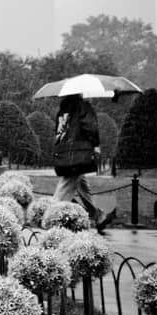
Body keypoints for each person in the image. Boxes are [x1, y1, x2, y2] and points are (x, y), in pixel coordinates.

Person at [52, 94, 108, 228]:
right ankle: (52, 217)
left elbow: (58, 132)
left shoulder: (62, 110)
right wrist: (95, 144)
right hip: (79, 152)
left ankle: (97, 215)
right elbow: (90, 127)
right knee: (66, 186)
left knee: (81, 184)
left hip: (64, 151)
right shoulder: (83, 107)